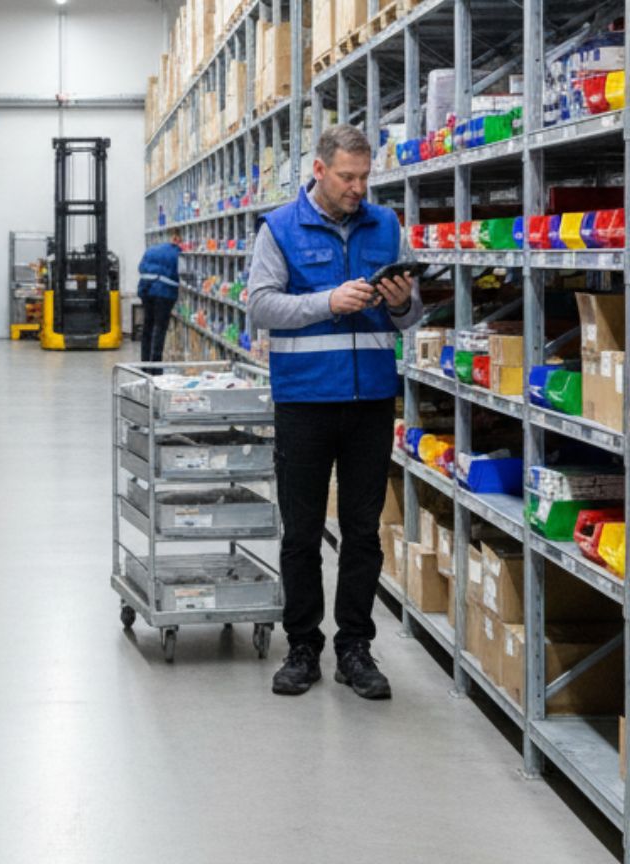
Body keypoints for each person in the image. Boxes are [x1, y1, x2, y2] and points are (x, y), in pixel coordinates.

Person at [245, 123, 423, 700]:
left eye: (365, 177)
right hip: (303, 401)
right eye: (347, 177)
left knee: (363, 532)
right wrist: (328, 302)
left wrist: (402, 304)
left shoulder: (386, 226)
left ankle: (355, 647)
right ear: (319, 170)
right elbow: (260, 307)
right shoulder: (279, 228)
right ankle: (302, 646)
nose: (358, 188)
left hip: (370, 401)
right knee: (300, 532)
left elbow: (410, 316)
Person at [136, 230, 182, 363]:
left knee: (148, 326)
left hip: (146, 290)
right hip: (164, 293)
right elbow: (183, 273)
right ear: (178, 240)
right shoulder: (178, 253)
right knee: (159, 328)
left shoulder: (152, 249)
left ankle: (144, 363)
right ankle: (155, 366)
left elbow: (140, 267)